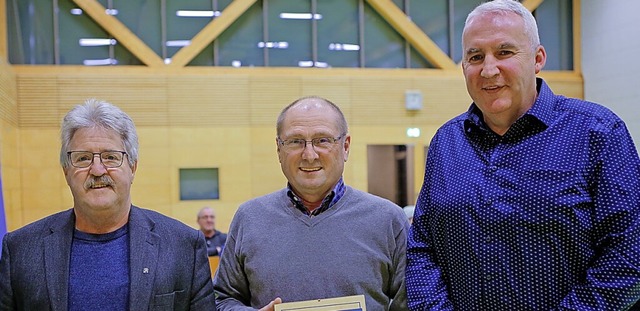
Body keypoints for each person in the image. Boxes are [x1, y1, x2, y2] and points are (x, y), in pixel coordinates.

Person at [406, 0, 640, 310]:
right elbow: (423, 246)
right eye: (476, 57)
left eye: (504, 53)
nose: (489, 69)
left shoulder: (597, 132)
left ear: (538, 58)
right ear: (464, 68)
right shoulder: (446, 143)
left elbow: (629, 252)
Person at [0, 99, 216, 310]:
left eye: (111, 157)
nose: (97, 170)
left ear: (132, 167)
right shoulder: (20, 249)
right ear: (66, 171)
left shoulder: (184, 246)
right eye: (83, 158)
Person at [213, 96, 409, 310]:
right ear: (279, 149)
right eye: (296, 141)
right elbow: (221, 298)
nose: (309, 155)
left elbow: (410, 303)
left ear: (345, 146)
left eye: (322, 140)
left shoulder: (389, 220)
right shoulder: (249, 218)